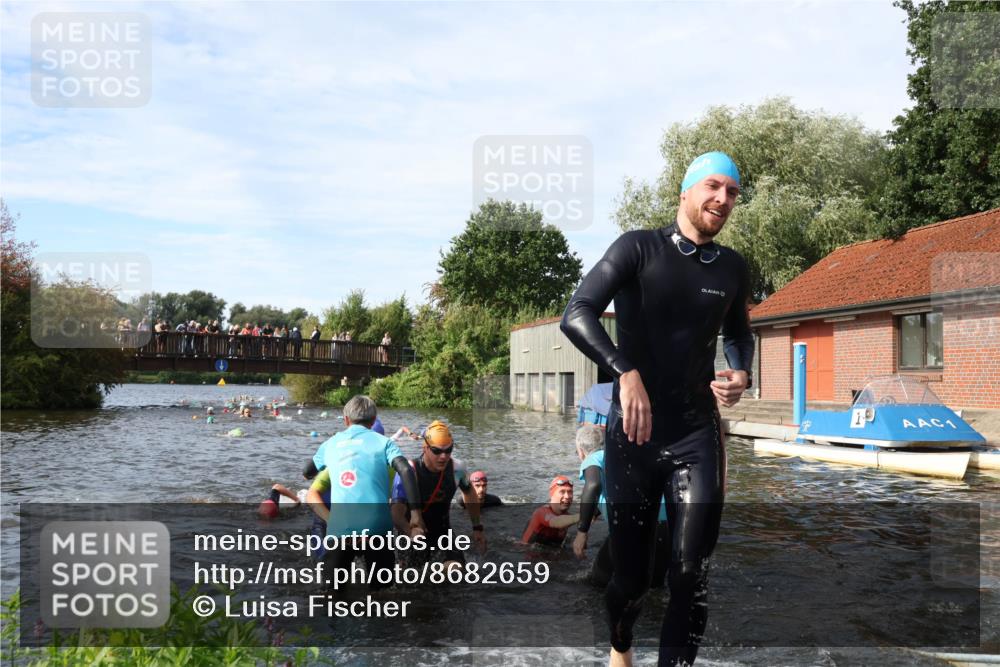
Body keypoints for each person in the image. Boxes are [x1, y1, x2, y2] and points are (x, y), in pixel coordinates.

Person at [560, 151, 754, 667]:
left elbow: (738, 333)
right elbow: (576, 312)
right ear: (686, 191)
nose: (723, 199)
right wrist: (624, 371)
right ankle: (620, 648)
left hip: (696, 434)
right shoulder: (638, 248)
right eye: (713, 186)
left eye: (733, 192)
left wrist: (741, 371)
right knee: (632, 579)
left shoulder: (732, 267)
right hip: (634, 436)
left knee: (690, 575)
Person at [305, 395, 424, 588]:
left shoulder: (330, 443)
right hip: (377, 526)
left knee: (332, 593)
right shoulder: (384, 443)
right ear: (373, 419)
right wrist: (416, 515)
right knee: (383, 592)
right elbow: (406, 470)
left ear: (346, 420)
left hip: (341, 526)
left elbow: (307, 471)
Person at [574, 424, 670, 590]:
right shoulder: (621, 455)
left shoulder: (593, 458)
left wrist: (582, 532)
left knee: (597, 582)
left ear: (581, 451)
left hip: (631, 527)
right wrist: (594, 512)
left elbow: (594, 485)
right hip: (664, 524)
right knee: (654, 587)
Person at [390, 420, 486, 569]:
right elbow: (396, 513)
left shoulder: (457, 468)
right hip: (411, 534)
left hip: (443, 533)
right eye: (437, 451)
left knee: (455, 571)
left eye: (448, 450)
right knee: (412, 578)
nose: (443, 456)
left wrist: (477, 527)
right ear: (425, 448)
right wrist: (410, 533)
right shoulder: (409, 471)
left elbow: (469, 492)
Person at [521, 475, 579, 546]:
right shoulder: (541, 513)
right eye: (562, 492)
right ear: (552, 495)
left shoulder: (567, 517)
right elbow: (557, 522)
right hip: (525, 551)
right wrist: (584, 516)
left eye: (570, 492)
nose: (567, 496)